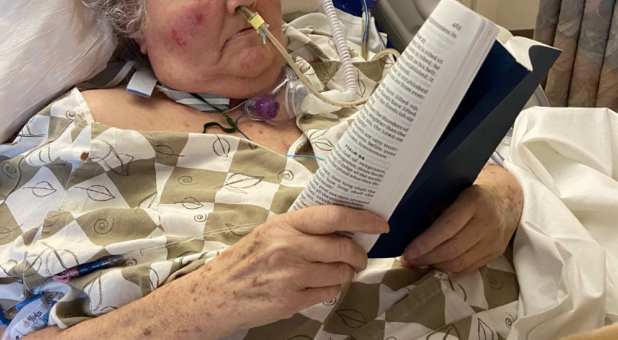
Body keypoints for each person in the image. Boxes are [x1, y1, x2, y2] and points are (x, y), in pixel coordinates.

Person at [0, 0, 523, 339]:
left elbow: (482, 151)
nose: (241, 1)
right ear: (133, 22)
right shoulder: (76, 135)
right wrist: (207, 300)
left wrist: (501, 197)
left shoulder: (343, 53)